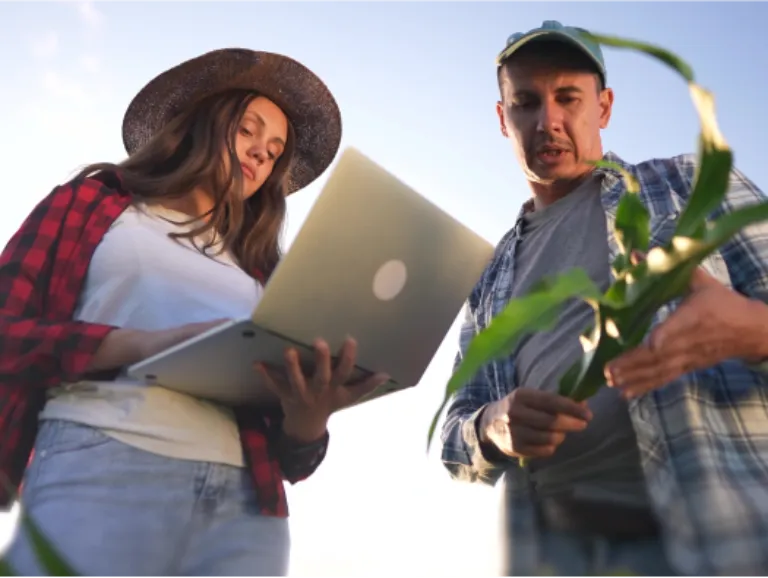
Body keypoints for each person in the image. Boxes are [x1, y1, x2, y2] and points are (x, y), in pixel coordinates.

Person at [0, 48, 389, 578]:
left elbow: (294, 458)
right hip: (102, 467)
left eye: (274, 151)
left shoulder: (263, 275)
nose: (260, 154)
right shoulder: (92, 206)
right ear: (200, 126)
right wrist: (142, 344)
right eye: (248, 130)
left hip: (246, 510)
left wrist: (308, 418)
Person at [440, 21, 768, 578]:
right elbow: (455, 432)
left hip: (714, 537)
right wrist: (495, 425)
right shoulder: (489, 274)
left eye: (568, 98)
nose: (548, 121)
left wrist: (752, 331)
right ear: (503, 118)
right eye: (525, 102)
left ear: (605, 106)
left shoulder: (687, 186)